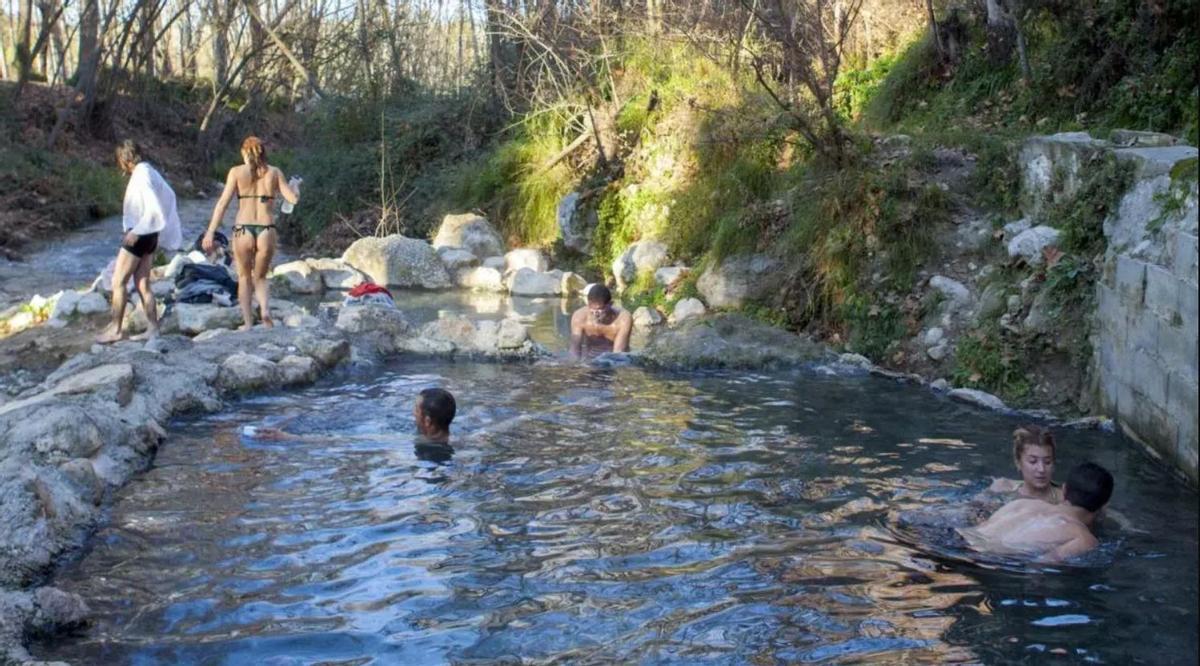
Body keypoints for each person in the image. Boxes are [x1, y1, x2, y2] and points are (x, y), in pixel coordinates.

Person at [201, 136, 300, 330]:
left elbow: (222, 204)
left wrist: (210, 232)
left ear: (244, 153)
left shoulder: (236, 172)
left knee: (244, 277)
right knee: (261, 277)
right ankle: (265, 312)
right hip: (266, 230)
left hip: (243, 230)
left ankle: (247, 324)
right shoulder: (274, 172)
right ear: (263, 152)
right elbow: (293, 200)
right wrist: (295, 187)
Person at [96, 140, 183, 343]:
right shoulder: (150, 171)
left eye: (120, 160)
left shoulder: (141, 175)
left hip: (141, 235)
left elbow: (153, 208)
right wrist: (162, 228)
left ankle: (116, 330)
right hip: (151, 236)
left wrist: (137, 230)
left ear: (126, 159)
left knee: (118, 282)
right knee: (142, 283)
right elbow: (169, 196)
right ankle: (153, 328)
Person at [958, 462, 1114, 563]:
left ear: (1064, 489)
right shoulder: (1083, 539)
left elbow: (984, 526)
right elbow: (1041, 565)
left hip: (958, 538)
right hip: (980, 561)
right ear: (1104, 504)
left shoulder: (1023, 503)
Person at [987, 425, 1062, 503]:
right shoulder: (1002, 489)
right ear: (1018, 462)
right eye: (1033, 461)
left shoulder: (1065, 500)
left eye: (1047, 462)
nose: (1041, 469)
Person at [569, 284, 633, 358]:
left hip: (612, 359)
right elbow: (574, 350)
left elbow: (618, 353)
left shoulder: (623, 319)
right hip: (589, 359)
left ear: (610, 304)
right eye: (592, 309)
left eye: (600, 309)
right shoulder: (579, 317)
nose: (595, 313)